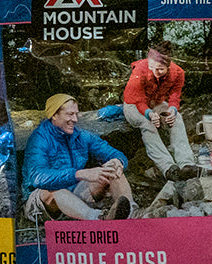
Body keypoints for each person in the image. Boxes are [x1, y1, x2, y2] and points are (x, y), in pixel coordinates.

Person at [22, 94, 133, 222]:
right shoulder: (39, 139)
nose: (74, 119)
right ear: (54, 115)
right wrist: (79, 174)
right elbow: (38, 178)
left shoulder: (81, 136)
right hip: (41, 201)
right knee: (54, 189)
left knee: (112, 169)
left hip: (74, 193)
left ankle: (130, 213)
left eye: (76, 114)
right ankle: (98, 218)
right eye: (69, 114)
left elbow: (113, 153)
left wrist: (118, 161)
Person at [122, 41, 197, 180]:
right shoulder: (139, 70)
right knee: (147, 124)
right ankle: (168, 168)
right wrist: (149, 114)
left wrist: (173, 110)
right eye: (152, 68)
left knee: (177, 118)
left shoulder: (178, 73)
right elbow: (138, 99)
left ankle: (186, 164)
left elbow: (175, 96)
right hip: (133, 104)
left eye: (160, 70)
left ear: (168, 66)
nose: (155, 73)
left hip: (156, 103)